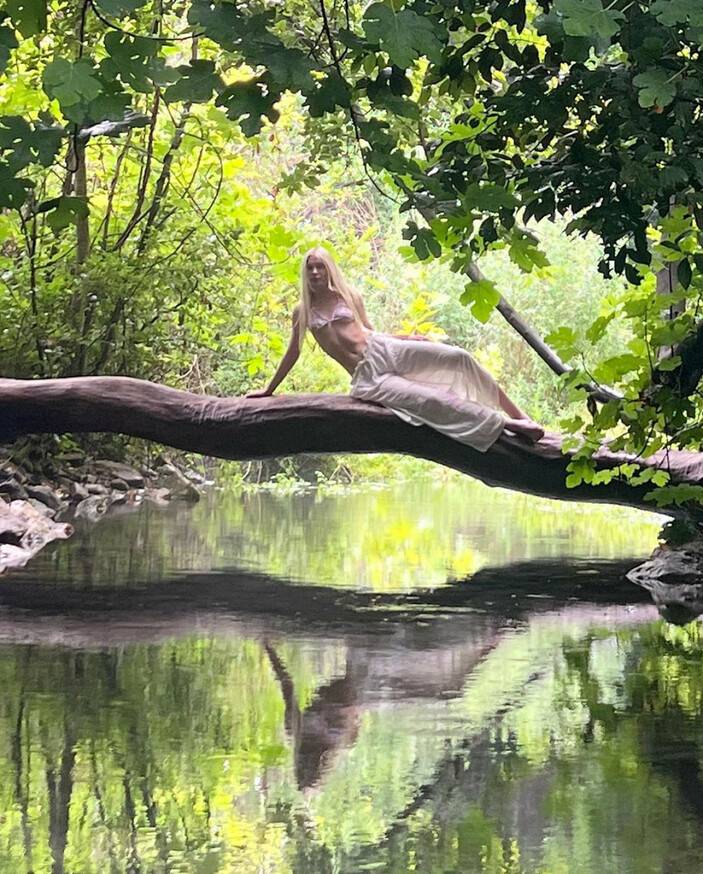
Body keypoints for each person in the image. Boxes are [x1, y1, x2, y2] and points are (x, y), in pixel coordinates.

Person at [246, 246, 545, 451]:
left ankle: (519, 416)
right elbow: (293, 353)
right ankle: (506, 425)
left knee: (459, 357)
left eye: (319, 267)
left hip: (385, 349)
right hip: (368, 378)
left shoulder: (350, 296)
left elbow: (370, 331)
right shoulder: (303, 311)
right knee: (431, 401)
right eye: (309, 268)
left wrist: (408, 338)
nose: (314, 273)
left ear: (329, 270)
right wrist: (269, 389)